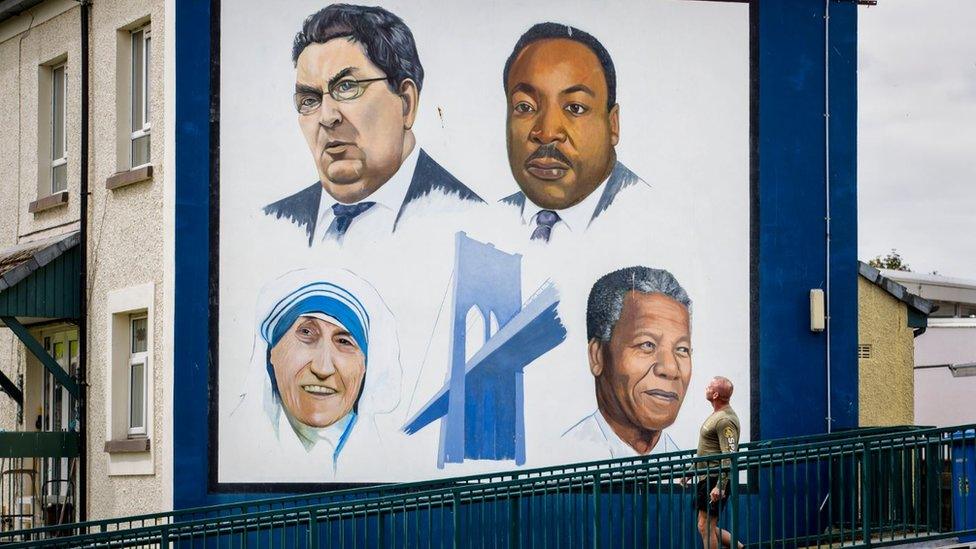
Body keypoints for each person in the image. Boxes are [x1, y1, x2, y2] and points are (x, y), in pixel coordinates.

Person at [264, 4, 483, 245]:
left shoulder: (472, 221)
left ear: (406, 103)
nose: (327, 117)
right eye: (309, 100)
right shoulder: (273, 223)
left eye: (347, 87)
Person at [227, 268, 402, 481]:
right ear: (272, 351)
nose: (323, 368)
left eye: (344, 341)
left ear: (366, 366)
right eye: (306, 333)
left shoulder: (388, 462)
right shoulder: (231, 443)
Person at [500, 23, 648, 243]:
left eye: (575, 108)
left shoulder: (653, 220)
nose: (547, 133)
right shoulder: (483, 219)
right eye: (525, 107)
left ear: (613, 124)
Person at [562, 266, 691, 457]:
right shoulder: (567, 458)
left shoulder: (690, 474)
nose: (670, 368)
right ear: (597, 356)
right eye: (647, 345)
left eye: (682, 349)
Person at [682, 376, 744, 549]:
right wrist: (689, 472)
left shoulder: (725, 420)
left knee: (705, 526)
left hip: (715, 479)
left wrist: (720, 486)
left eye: (710, 386)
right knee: (706, 526)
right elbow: (707, 450)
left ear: (715, 394)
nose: (706, 387)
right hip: (707, 478)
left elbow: (729, 454)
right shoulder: (717, 415)